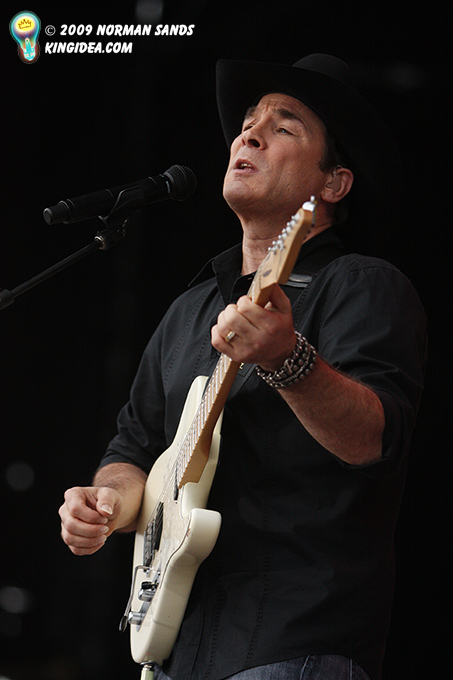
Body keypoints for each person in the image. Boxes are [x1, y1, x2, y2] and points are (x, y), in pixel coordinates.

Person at [59, 55, 427, 680]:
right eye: (249, 122)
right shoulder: (189, 310)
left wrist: (289, 360)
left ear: (334, 184)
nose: (249, 134)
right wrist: (108, 501)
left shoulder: (363, 285)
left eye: (283, 127)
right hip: (176, 648)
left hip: (293, 641)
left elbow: (375, 439)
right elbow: (133, 447)